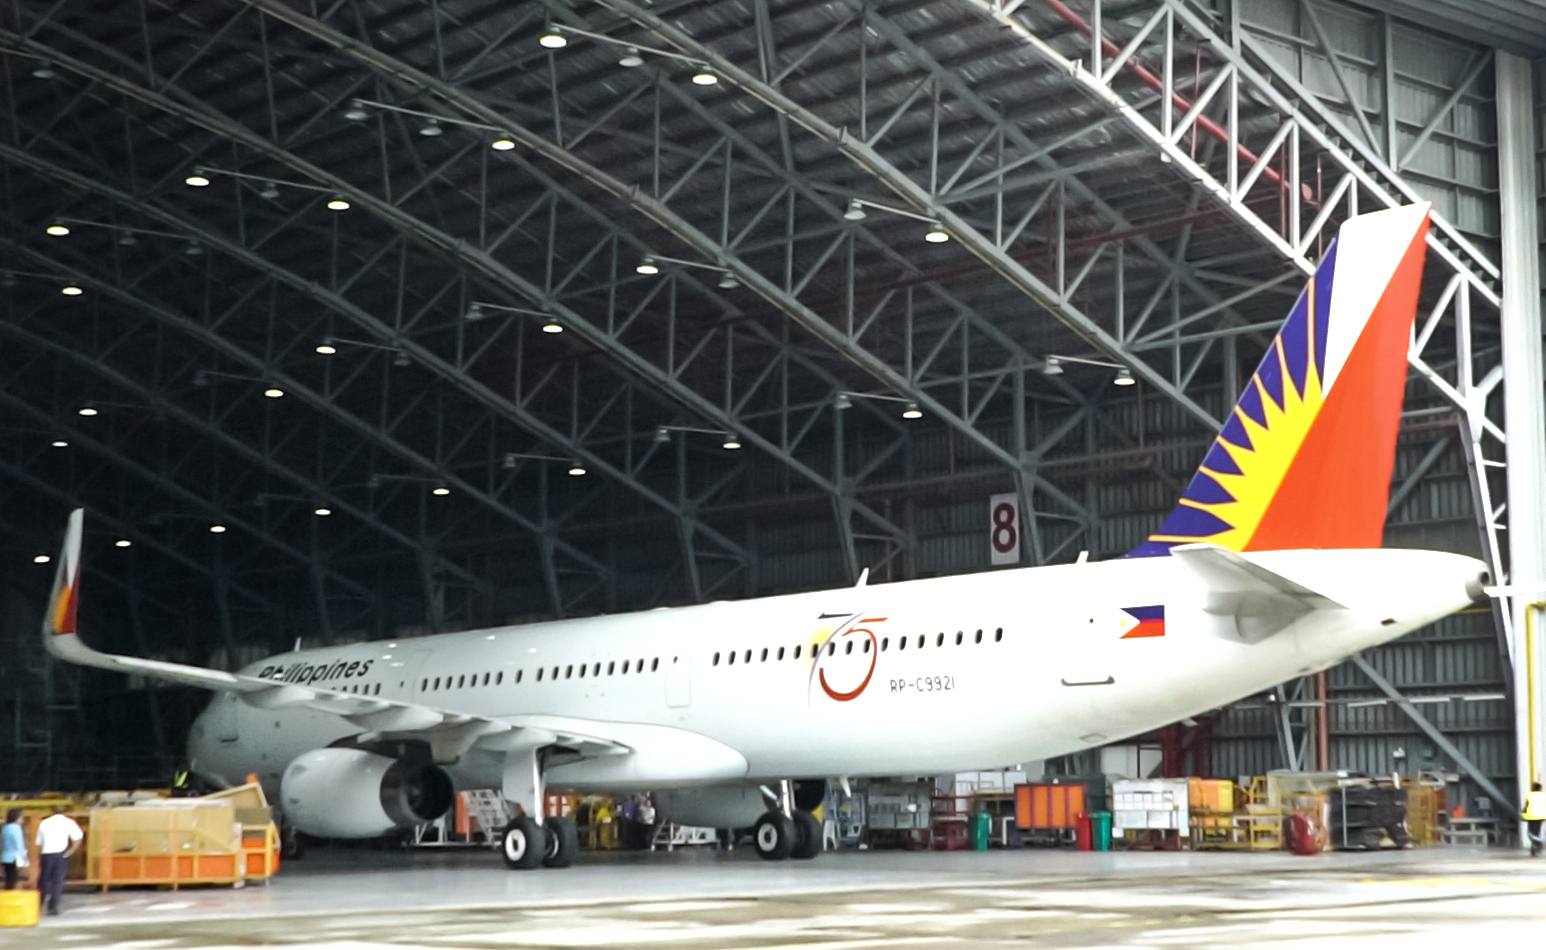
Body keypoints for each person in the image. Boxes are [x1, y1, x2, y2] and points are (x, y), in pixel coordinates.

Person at [35, 807, 82, 916]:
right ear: (64, 811)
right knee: (58, 881)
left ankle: (38, 904)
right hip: (60, 854)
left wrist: (39, 857)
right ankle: (53, 906)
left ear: (52, 811)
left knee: (43, 881)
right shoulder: (69, 822)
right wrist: (70, 851)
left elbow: (38, 843)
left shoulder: (44, 823)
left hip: (46, 854)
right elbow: (78, 837)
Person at [1, 810, 25, 889]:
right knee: (13, 879)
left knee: (8, 879)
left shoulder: (5, 828)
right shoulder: (16, 828)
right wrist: (24, 855)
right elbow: (19, 843)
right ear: (17, 818)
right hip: (14, 857)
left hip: (5, 857)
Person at [1523, 782, 1546, 857]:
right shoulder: (1543, 795)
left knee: (1530, 833)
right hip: (1540, 816)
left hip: (1531, 816)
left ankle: (1537, 845)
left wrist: (1523, 815)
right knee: (1536, 833)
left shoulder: (1529, 795)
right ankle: (1535, 847)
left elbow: (1526, 807)